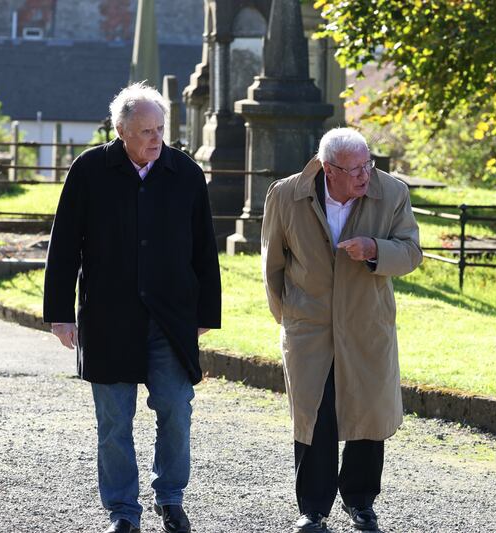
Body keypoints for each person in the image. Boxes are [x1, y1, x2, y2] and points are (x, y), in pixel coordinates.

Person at [43, 82, 221, 533]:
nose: (156, 139)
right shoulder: (89, 170)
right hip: (108, 318)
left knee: (176, 408)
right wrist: (60, 314)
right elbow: (64, 245)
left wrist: (205, 314)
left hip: (170, 317)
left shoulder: (185, 172)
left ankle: (171, 498)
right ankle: (122, 510)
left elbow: (205, 249)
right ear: (121, 130)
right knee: (114, 421)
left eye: (160, 129)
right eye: (145, 131)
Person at [261, 127, 423, 533]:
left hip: (367, 324)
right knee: (314, 416)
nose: (364, 176)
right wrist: (291, 319)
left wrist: (375, 251)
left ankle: (361, 501)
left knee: (368, 414)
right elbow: (273, 266)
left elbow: (411, 252)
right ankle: (313, 509)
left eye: (367, 165)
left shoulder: (392, 192)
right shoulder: (286, 194)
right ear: (328, 169)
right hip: (308, 328)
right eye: (353, 170)